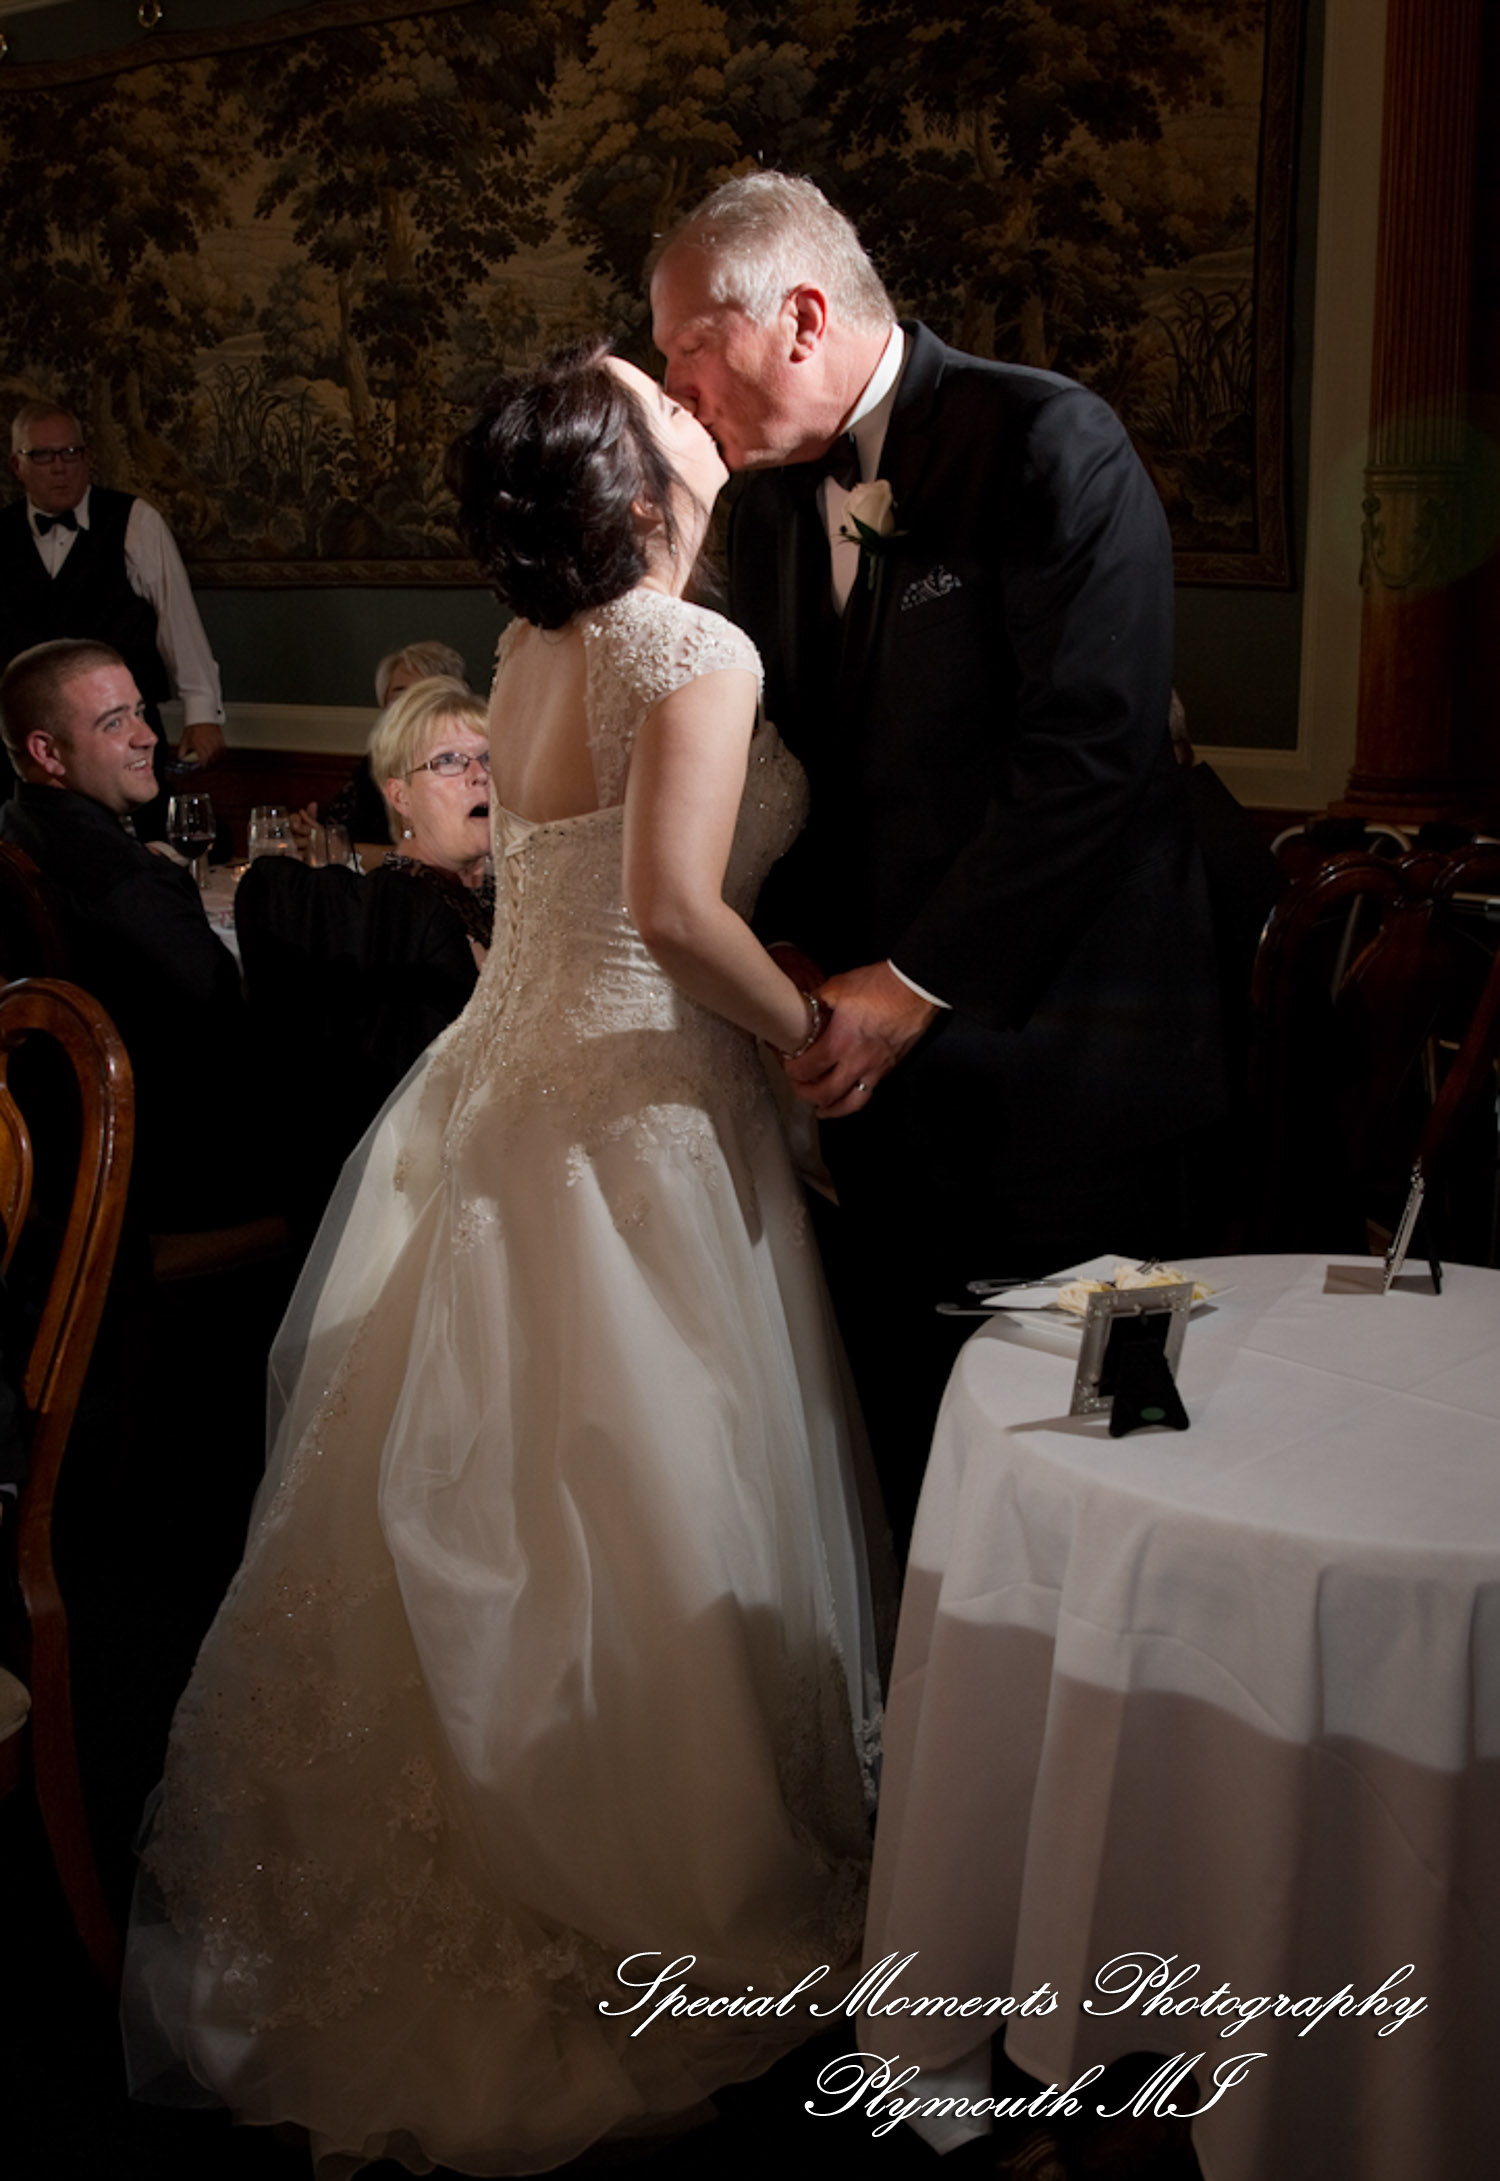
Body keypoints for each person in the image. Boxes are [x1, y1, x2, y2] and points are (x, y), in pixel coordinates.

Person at [123, 343, 882, 2174]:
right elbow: (672, 909)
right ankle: (659, 1871)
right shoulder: (691, 651)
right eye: (665, 408)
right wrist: (814, 1034)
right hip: (640, 1109)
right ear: (637, 485)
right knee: (644, 1488)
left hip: (500, 1094)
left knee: (510, 1484)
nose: (698, 409)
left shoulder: (537, 645)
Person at [651, 172, 1225, 1540]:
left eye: (689, 346)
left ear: (801, 318)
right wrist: (792, 946)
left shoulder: (1046, 440)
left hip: (1075, 1069)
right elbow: (805, 764)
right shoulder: (770, 507)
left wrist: (913, 982)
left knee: (1103, 1468)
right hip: (883, 1094)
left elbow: (1093, 756)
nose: (674, 387)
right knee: (920, 1463)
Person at [0, 639, 256, 1232]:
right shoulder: (123, 882)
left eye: (140, 712)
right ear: (47, 752)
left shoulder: (18, 828)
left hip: (65, 1156)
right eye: (114, 722)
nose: (147, 737)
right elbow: (226, 1028)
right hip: (162, 1174)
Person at [236, 678, 495, 1227]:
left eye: (489, 758)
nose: (479, 774)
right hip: (431, 1186)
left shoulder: (505, 893)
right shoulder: (393, 909)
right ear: (400, 797)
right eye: (449, 761)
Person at [1, 401, 226, 830]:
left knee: (139, 845)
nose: (60, 467)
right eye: (43, 456)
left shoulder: (134, 521)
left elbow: (177, 622)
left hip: (122, 735)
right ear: (17, 465)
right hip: (28, 749)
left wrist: (201, 713)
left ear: (87, 457)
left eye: (71, 453)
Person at [296, 640, 471, 856]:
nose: (408, 707)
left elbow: (435, 861)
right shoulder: (377, 764)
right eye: (399, 696)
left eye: (421, 695)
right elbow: (338, 828)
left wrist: (344, 851)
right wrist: (308, 830)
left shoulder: (463, 767)